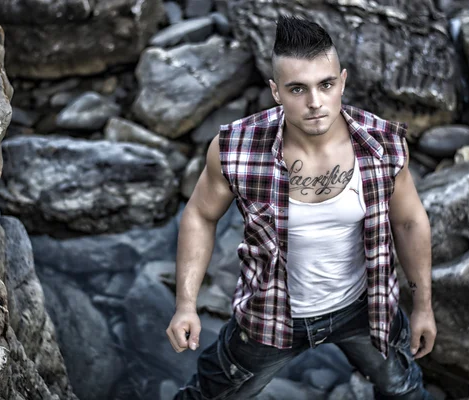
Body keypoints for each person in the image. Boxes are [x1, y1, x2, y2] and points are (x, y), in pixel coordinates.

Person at [166, 15, 437, 400]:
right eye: (297, 89)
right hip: (271, 314)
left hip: (364, 307)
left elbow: (409, 222)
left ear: (342, 81)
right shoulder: (236, 148)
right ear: (276, 91)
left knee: (404, 390)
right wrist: (185, 304)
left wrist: (423, 305)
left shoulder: (383, 144)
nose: (314, 103)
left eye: (325, 85)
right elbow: (200, 214)